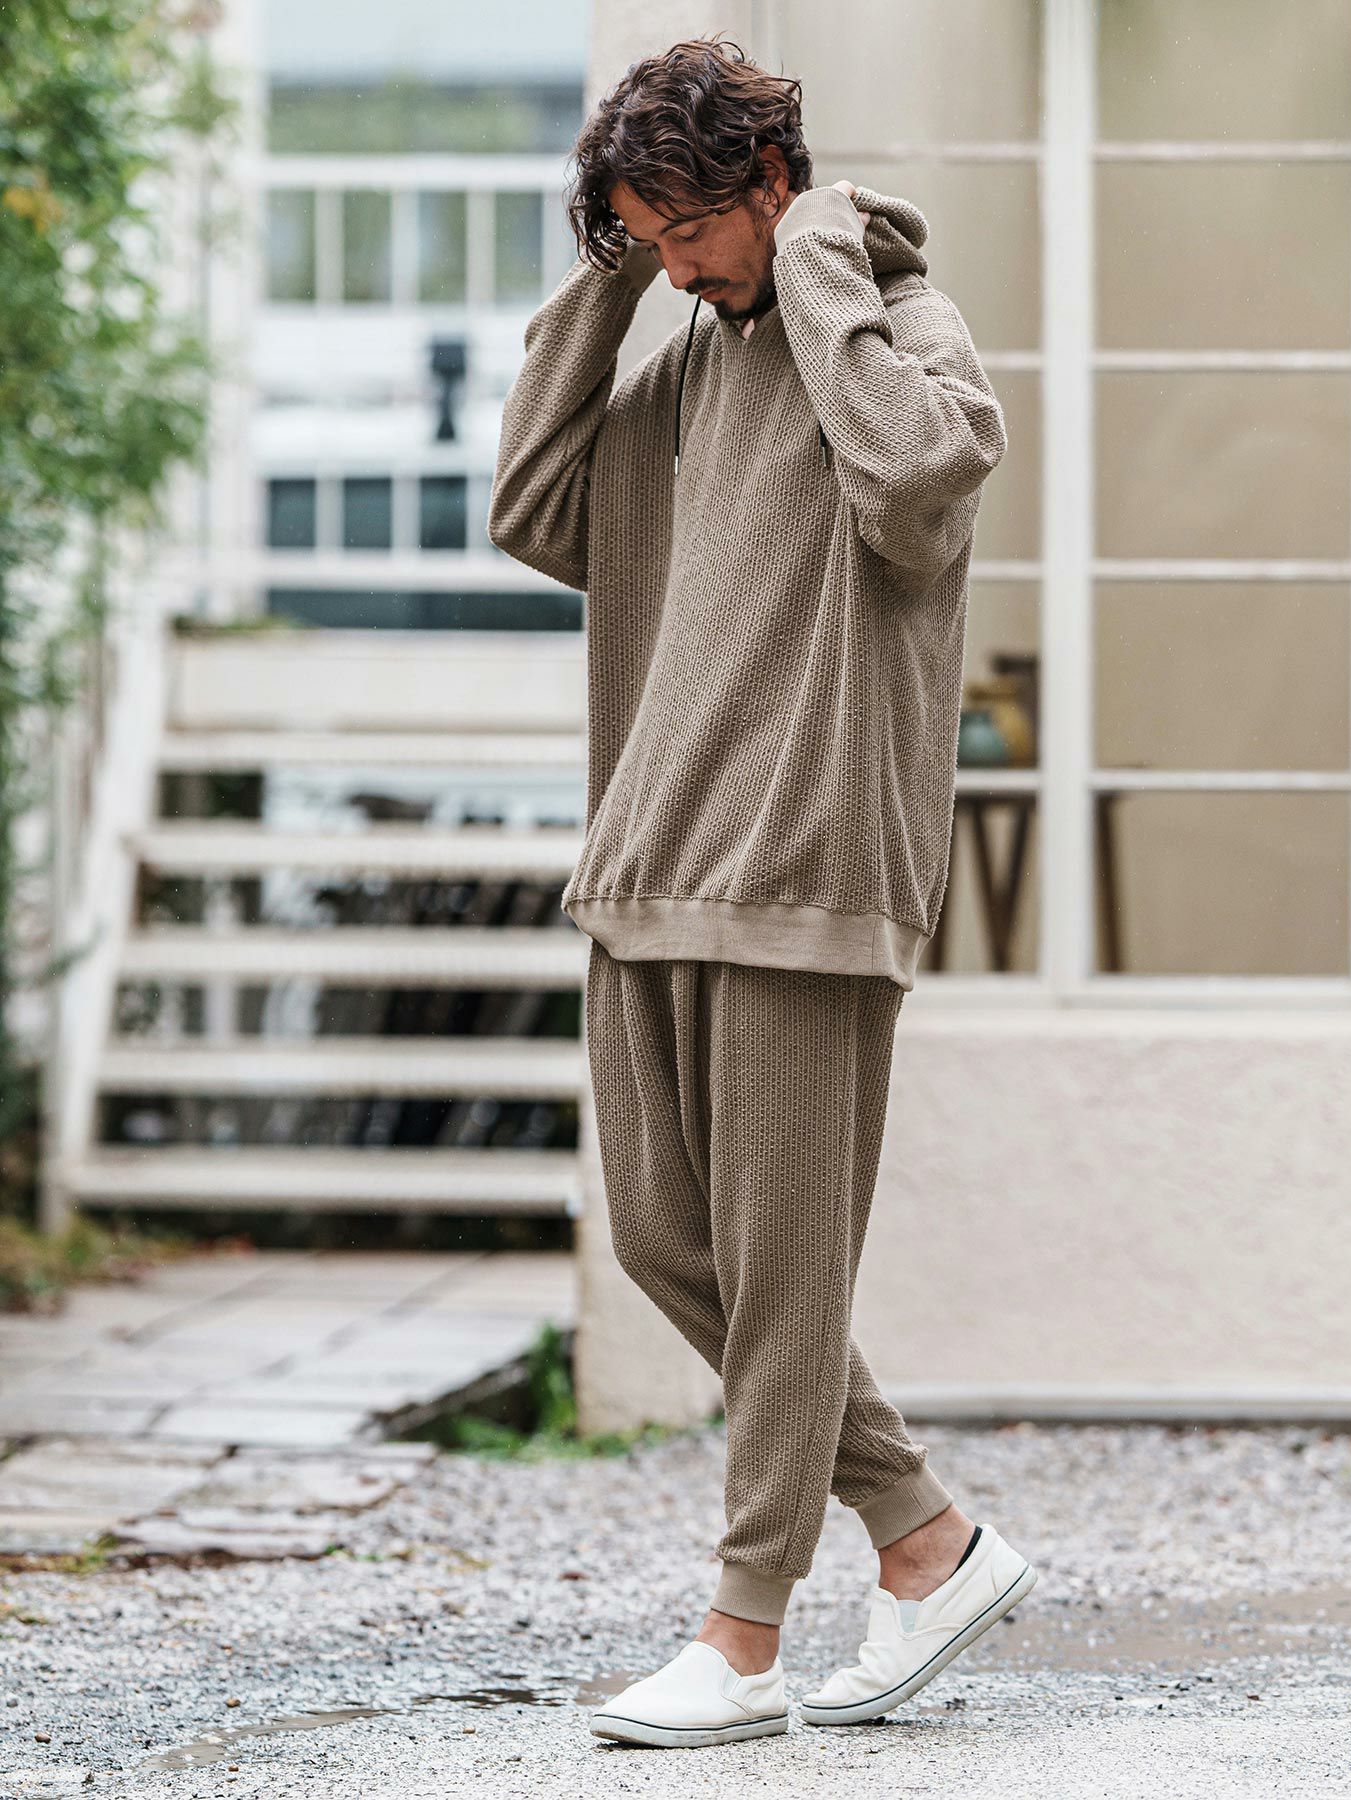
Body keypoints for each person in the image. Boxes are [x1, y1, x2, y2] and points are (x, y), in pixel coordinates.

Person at [489, 33, 1035, 1748]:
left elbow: (921, 489)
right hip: (651, 857)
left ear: (774, 187)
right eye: (647, 239)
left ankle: (742, 1638)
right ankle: (927, 1541)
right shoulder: (687, 365)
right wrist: (604, 283)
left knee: (785, 1280)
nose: (678, 266)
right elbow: (535, 506)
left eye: (693, 231)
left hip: (806, 869)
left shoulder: (901, 336)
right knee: (670, 1239)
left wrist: (818, 269)